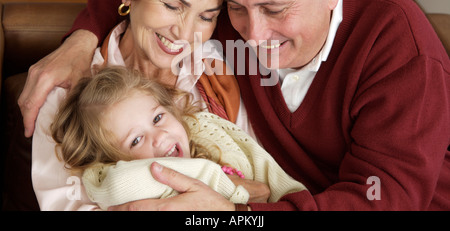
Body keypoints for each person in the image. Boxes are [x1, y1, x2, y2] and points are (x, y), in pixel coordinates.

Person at [22, 0, 449, 211]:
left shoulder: (399, 48)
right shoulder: (224, 21)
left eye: (276, 10)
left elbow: (387, 201)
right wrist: (80, 40)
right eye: (234, 8)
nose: (254, 38)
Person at [29, 0, 261, 211]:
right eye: (172, 5)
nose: (186, 33)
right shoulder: (68, 90)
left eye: (206, 16)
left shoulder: (218, 74)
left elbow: (257, 183)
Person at [50, 66, 306, 210]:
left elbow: (274, 177)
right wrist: (224, 184)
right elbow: (116, 184)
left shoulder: (207, 129)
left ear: (170, 109)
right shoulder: (120, 179)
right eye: (136, 140)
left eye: (158, 118)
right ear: (112, 159)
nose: (159, 136)